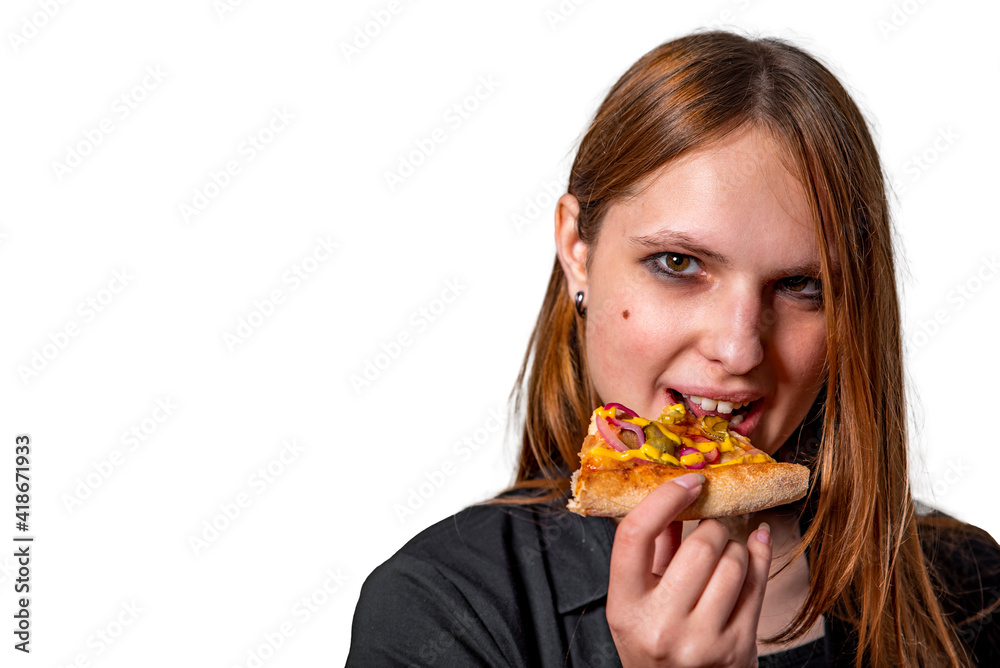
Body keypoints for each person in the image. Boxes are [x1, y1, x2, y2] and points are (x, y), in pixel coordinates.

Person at [346, 30, 1000, 667]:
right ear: (578, 249)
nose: (739, 347)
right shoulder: (442, 609)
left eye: (801, 285)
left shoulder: (974, 589)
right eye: (679, 263)